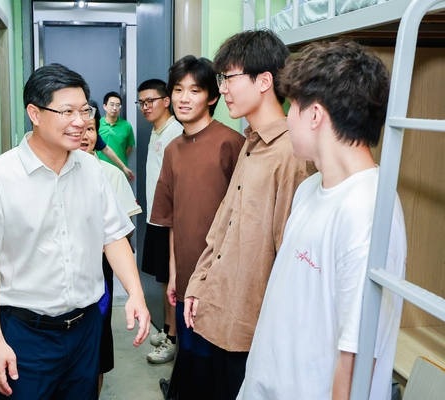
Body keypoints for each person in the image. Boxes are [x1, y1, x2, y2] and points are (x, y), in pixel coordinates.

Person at [0, 64, 150, 400]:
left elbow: (113, 237)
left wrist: (136, 293)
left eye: (85, 110)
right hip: (26, 334)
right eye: (67, 111)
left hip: (86, 328)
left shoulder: (92, 170)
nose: (81, 122)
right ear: (35, 113)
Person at [237, 40, 406, 400]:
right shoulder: (310, 188)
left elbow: (356, 361)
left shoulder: (366, 212)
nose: (287, 119)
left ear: (315, 115)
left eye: (292, 108)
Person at [182, 30, 313, 400]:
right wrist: (200, 283)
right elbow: (224, 225)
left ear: (264, 81)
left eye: (229, 78)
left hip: (255, 329)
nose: (222, 88)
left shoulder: (291, 155)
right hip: (221, 311)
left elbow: (289, 256)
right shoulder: (251, 142)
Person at [150, 55, 245, 399]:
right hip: (186, 276)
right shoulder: (172, 149)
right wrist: (175, 274)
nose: (184, 98)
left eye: (194, 90)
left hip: (220, 280)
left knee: (213, 364)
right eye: (178, 90)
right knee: (189, 357)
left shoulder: (231, 143)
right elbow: (172, 219)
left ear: (213, 96)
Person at [79, 100, 142, 396]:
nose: (84, 135)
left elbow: (123, 234)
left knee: (97, 351)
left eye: (91, 129)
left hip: (100, 272)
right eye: (80, 129)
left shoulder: (110, 174)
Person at [136, 79, 183, 364]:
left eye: (150, 101)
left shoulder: (176, 132)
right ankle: (167, 328)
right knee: (164, 279)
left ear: (166, 101)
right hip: (156, 217)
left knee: (171, 282)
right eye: (141, 102)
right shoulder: (157, 131)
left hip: (169, 221)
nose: (145, 107)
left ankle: (173, 338)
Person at [97, 91, 135, 174]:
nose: (115, 108)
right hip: (100, 169)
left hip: (120, 170)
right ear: (105, 106)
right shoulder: (97, 124)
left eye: (118, 105)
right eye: (112, 104)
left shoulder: (126, 126)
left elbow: (129, 147)